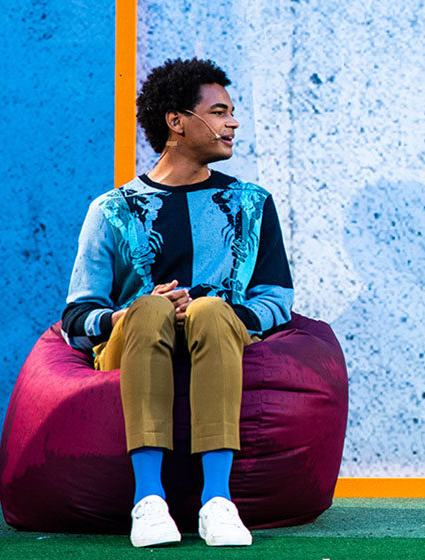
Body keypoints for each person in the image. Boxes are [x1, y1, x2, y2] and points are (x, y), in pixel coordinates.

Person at [61, 58, 293, 547]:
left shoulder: (252, 203)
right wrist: (126, 314)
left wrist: (224, 311)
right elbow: (76, 318)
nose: (234, 123)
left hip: (221, 335)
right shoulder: (111, 210)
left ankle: (218, 501)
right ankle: (148, 500)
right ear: (177, 121)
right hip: (136, 340)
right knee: (149, 309)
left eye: (232, 112)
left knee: (210, 310)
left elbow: (277, 299)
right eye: (220, 112)